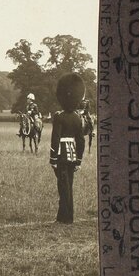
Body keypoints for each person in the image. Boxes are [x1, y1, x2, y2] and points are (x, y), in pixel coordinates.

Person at [50, 73, 86, 224]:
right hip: (72, 155)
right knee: (68, 185)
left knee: (63, 186)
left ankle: (66, 217)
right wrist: (79, 160)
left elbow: (55, 138)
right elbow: (81, 140)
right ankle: (63, 216)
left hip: (61, 155)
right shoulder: (77, 118)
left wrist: (53, 159)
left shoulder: (59, 116)